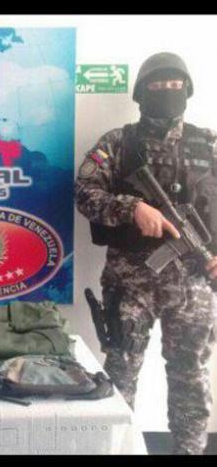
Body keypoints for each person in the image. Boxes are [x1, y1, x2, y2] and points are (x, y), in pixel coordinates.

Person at [75, 52, 217, 454]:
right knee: (120, 374)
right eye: (158, 85)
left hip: (193, 285)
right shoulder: (118, 143)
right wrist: (132, 208)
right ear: (141, 92)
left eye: (175, 85)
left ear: (187, 90)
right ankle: (117, 449)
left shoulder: (209, 144)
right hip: (130, 282)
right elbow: (84, 192)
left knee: (191, 379)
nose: (167, 91)